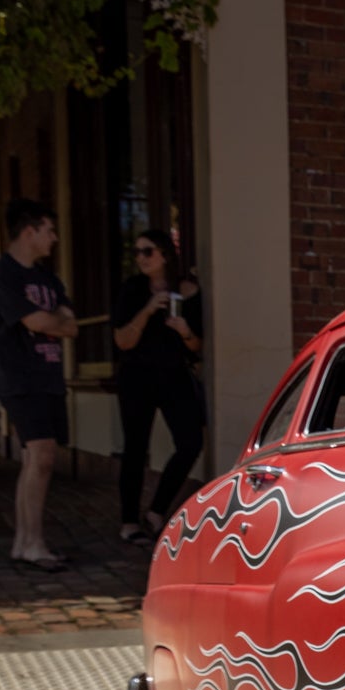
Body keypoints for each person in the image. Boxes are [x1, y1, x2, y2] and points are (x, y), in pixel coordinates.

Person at [0, 197, 78, 570]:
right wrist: (51, 319)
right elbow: (39, 323)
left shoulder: (49, 279)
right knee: (42, 455)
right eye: (49, 230)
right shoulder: (1, 273)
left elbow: (69, 325)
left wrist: (50, 319)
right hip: (20, 378)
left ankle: (25, 542)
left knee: (35, 459)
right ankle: (34, 543)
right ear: (29, 231)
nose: (54, 238)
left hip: (50, 377)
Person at [110, 229, 205, 543]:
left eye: (147, 251)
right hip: (136, 376)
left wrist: (184, 330)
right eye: (136, 252)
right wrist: (148, 309)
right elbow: (123, 340)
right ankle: (129, 523)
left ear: (165, 254)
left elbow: (196, 346)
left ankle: (156, 511)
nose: (141, 258)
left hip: (174, 375)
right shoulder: (132, 290)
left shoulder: (189, 291)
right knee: (136, 447)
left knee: (190, 442)